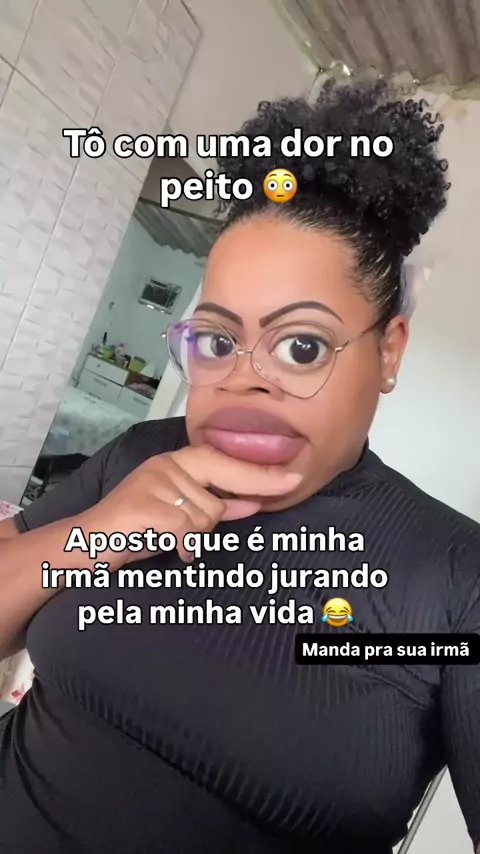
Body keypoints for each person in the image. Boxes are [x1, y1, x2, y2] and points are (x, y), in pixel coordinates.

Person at [0, 79, 478, 854]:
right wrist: (98, 533)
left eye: (302, 346)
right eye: (218, 342)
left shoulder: (455, 579)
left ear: (388, 352)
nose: (242, 380)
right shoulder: (143, 455)